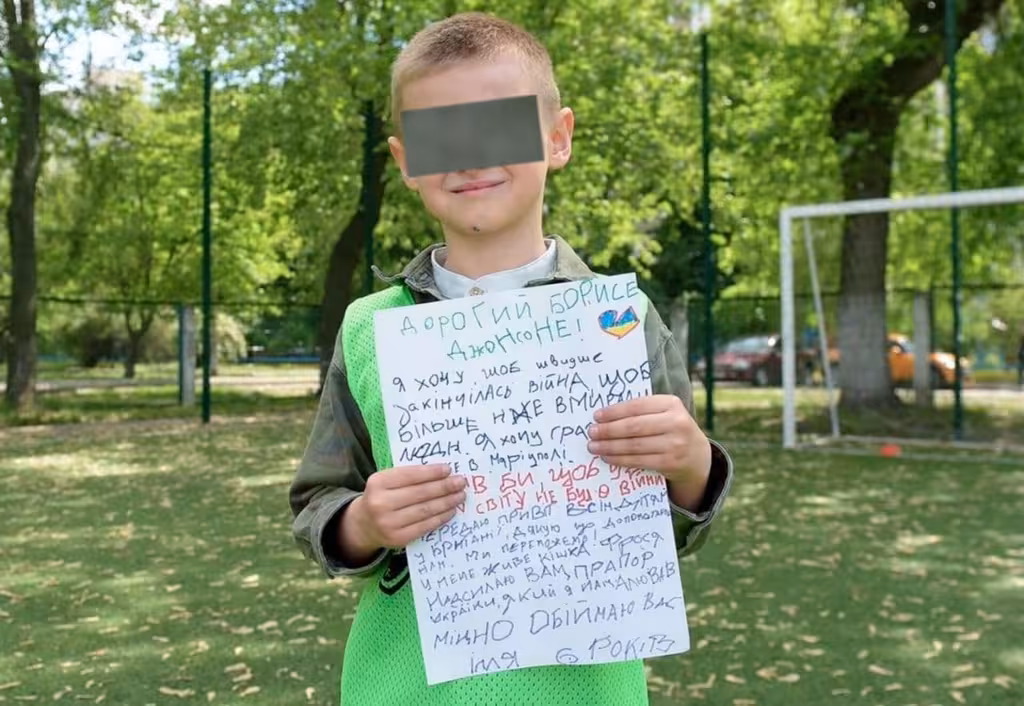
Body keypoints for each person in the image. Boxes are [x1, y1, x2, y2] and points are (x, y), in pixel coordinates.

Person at [289, 12, 735, 706]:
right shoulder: (369, 327)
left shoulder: (621, 320)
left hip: (586, 689)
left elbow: (669, 533)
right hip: (405, 687)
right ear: (406, 161)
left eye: (497, 125)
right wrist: (364, 523)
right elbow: (319, 501)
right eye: (442, 135)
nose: (469, 157)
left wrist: (692, 466)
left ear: (558, 138)